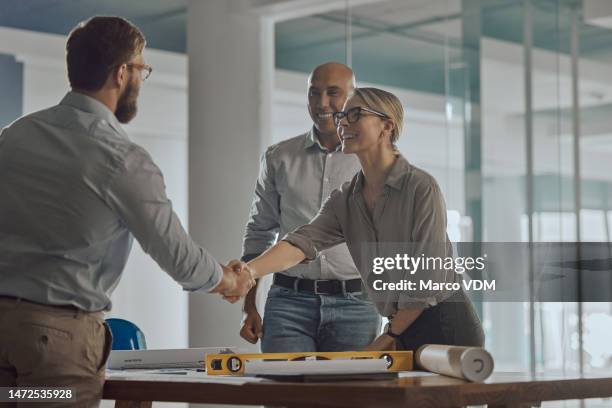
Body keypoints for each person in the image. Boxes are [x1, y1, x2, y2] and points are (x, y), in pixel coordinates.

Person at [0, 16, 252, 407]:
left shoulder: (15, 136)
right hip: (54, 345)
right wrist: (228, 282)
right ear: (121, 73)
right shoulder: (120, 158)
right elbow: (178, 256)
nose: (140, 78)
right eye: (141, 68)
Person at [233, 87, 484, 353]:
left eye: (355, 114)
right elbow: (301, 243)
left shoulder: (420, 187)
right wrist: (249, 271)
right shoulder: (346, 199)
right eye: (343, 115)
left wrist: (389, 335)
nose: (341, 122)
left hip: (446, 323)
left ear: (386, 125)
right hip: (401, 326)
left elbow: (426, 279)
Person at [239, 62, 381, 352]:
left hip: (356, 305)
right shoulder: (279, 157)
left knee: (348, 398)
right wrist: (248, 305)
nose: (322, 103)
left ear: (354, 98)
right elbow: (259, 232)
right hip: (288, 303)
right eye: (314, 93)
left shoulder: (372, 159)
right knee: (282, 396)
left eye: (333, 93)